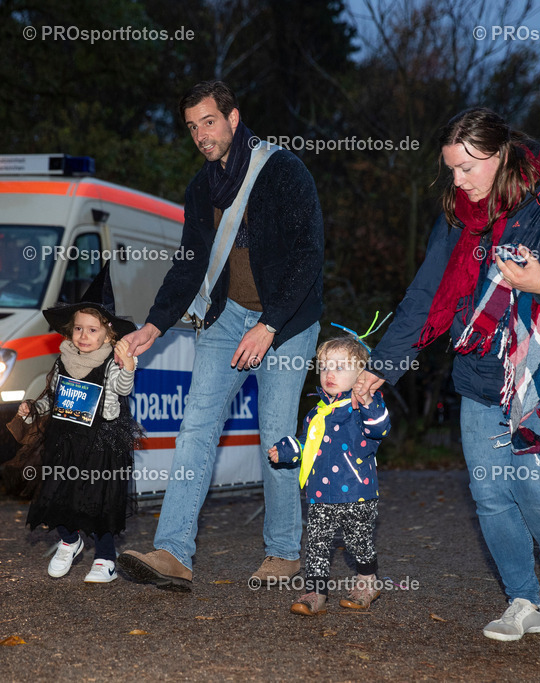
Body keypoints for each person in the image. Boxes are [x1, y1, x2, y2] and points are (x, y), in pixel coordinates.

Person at [354, 108, 540, 641]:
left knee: (536, 477)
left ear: (500, 154)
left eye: (467, 168)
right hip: (482, 374)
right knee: (490, 492)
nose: (457, 182)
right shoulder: (459, 216)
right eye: (451, 170)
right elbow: (425, 293)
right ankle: (522, 599)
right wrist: (382, 367)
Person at [115, 80, 324, 591]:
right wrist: (152, 325)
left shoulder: (284, 171)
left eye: (208, 121)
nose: (201, 135)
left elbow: (308, 257)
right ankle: (174, 553)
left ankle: (283, 552)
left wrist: (270, 325)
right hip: (227, 315)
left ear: (233, 117)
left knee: (275, 436)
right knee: (196, 428)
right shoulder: (200, 188)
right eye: (191, 127)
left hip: (288, 320)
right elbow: (188, 267)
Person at [21, 296, 140, 583]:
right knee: (55, 494)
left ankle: (105, 559)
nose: (83, 336)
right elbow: (53, 399)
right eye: (78, 329)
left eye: (93, 330)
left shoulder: (112, 363)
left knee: (98, 501)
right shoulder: (63, 361)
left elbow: (123, 389)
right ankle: (69, 540)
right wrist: (32, 410)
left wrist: (128, 367)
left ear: (109, 334)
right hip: (66, 444)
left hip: (101, 445)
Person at [268, 335, 390, 615]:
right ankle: (316, 591)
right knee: (317, 544)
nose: (330, 373)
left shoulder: (363, 407)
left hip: (358, 493)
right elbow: (306, 443)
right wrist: (287, 449)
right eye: (324, 367)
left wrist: (369, 400)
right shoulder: (316, 413)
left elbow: (380, 429)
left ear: (361, 374)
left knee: (358, 542)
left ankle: (367, 581)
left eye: (340, 367)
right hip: (320, 494)